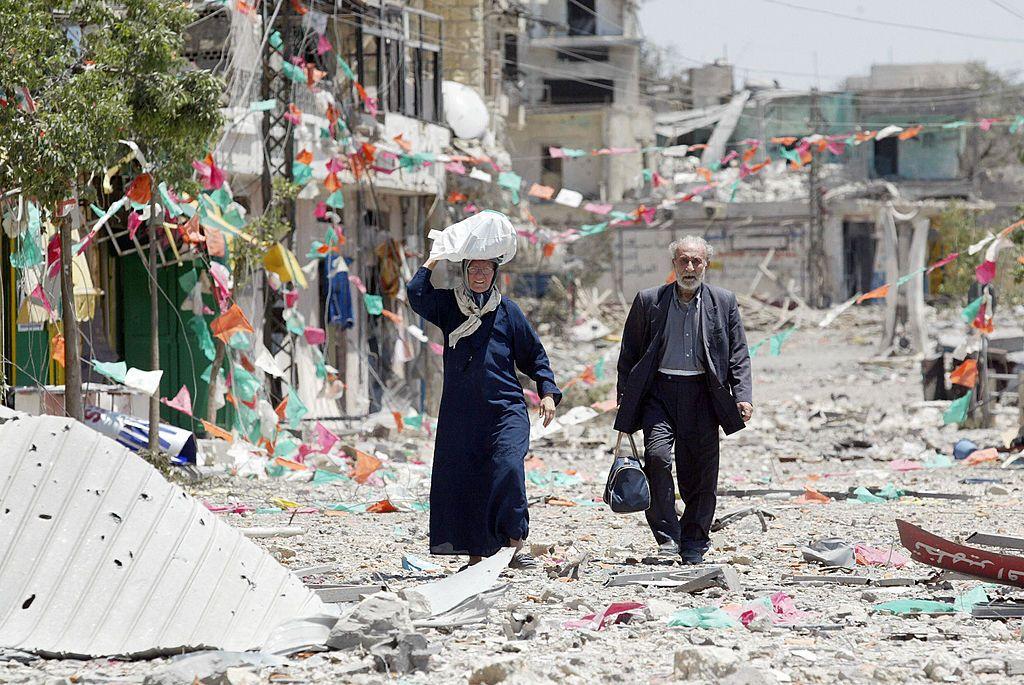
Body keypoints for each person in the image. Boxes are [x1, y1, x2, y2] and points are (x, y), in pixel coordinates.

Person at [408, 256, 561, 569]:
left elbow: (534, 356)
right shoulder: (449, 306)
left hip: (506, 409)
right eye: (473, 269)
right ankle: (476, 557)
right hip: (462, 415)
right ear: (464, 272)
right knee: (469, 479)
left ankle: (514, 546)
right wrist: (434, 259)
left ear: (495, 273)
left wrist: (547, 392)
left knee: (508, 468)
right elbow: (416, 294)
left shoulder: (507, 311)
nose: (479, 275)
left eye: (486, 269)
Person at [614, 235, 753, 564]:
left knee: (700, 472)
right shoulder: (649, 301)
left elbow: (738, 353)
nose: (690, 267)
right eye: (683, 261)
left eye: (696, 261)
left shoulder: (723, 302)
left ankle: (694, 540)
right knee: (657, 458)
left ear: (706, 264)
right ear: (673, 264)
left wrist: (742, 396)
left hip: (704, 395)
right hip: (659, 394)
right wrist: (624, 396)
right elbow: (629, 353)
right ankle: (667, 537)